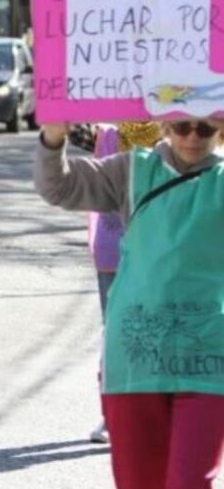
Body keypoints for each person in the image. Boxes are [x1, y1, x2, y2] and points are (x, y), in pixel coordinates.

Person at [35, 117, 224, 489]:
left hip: (210, 359)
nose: (192, 137)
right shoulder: (131, 170)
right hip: (135, 361)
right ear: (164, 123)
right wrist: (54, 137)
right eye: (181, 126)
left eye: (204, 128)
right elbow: (59, 187)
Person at [84, 121, 163, 444]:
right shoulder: (108, 135)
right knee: (115, 331)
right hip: (114, 250)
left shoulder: (180, 133)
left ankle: (152, 412)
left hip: (161, 252)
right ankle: (111, 414)